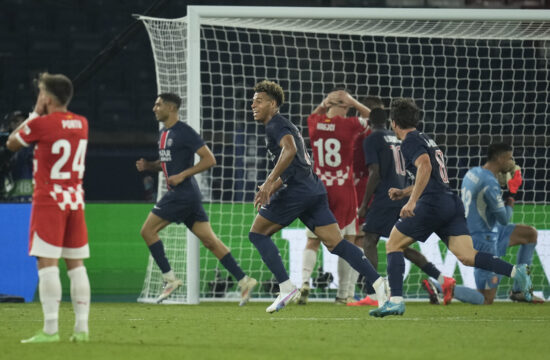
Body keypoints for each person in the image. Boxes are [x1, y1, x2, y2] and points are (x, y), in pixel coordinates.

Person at [369, 98, 533, 318]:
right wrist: (404, 192)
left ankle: (396, 301)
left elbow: (425, 167)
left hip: (432, 204)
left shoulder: (409, 141)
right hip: (449, 202)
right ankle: (517, 272)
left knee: (393, 244)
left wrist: (412, 201)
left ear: (394, 123)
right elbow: (430, 176)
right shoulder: (426, 138)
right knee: (467, 255)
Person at [248, 80, 387, 313]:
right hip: (315, 189)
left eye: (259, 101)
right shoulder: (288, 125)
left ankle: (286, 286)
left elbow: (289, 150)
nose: (253, 105)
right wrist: (272, 185)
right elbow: (301, 163)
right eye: (252, 102)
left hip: (298, 193)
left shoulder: (277, 125)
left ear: (273, 104)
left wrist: (269, 183)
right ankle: (378, 284)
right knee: (337, 243)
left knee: (257, 234)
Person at [136, 93, 257, 305]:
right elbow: (166, 163)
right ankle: (244, 280)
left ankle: (170, 278)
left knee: (147, 231)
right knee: (210, 241)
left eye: (158, 104)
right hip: (188, 196)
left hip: (181, 193)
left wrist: (183, 175)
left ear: (171, 108)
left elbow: (210, 159)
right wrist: (150, 166)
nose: (154, 108)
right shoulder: (164, 133)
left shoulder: (185, 132)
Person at [7, 72, 91, 343]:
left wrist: (34, 112)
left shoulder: (41, 124)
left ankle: (51, 330)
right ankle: (81, 330)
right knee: (76, 266)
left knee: (47, 265)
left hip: (49, 201)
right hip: (75, 201)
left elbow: (12, 143)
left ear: (48, 97)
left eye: (41, 92)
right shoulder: (82, 123)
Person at [349, 107, 456, 307]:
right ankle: (443, 280)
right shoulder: (396, 137)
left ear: (370, 123)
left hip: (385, 196)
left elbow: (375, 172)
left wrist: (364, 204)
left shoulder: (372, 139)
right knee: (401, 245)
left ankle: (373, 294)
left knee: (369, 239)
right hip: (401, 193)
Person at [299, 89, 370, 305]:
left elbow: (314, 115)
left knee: (313, 240)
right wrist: (354, 102)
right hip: (344, 189)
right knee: (349, 241)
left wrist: (324, 103)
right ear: (345, 108)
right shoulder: (349, 125)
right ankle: (344, 294)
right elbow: (374, 119)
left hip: (319, 189)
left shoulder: (316, 122)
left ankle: (304, 282)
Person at [460, 143, 542, 304]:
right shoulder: (489, 183)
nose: (512, 162)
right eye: (510, 158)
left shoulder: (473, 172)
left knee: (530, 234)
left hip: (489, 229)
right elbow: (504, 218)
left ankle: (520, 291)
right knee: (486, 299)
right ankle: (442, 286)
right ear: (500, 158)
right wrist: (512, 193)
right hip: (484, 240)